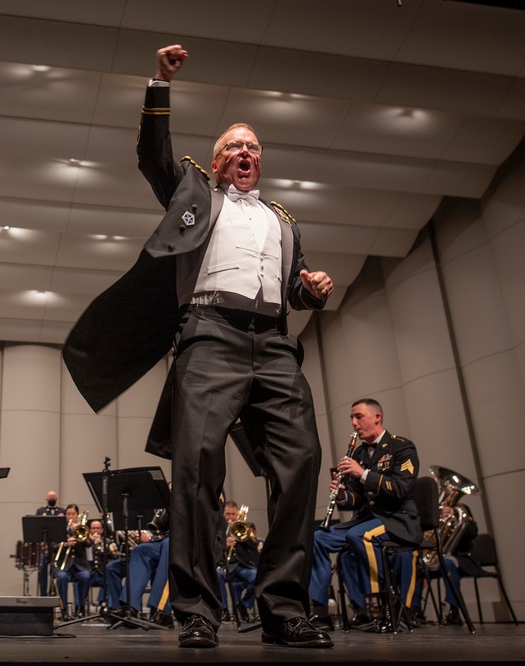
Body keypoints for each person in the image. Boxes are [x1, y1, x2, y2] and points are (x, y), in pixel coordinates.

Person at [62, 44, 334, 649]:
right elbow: (151, 156)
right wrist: (159, 84)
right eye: (235, 146)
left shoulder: (283, 220)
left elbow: (294, 286)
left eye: (254, 147)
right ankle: (198, 612)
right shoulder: (196, 196)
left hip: (275, 345)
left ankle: (284, 610)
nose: (246, 152)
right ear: (216, 161)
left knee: (302, 464)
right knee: (195, 473)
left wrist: (310, 288)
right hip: (209, 336)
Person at [309, 399, 420, 633]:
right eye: (352, 418)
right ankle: (319, 612)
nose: (354, 423)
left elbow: (400, 489)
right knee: (317, 538)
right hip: (365, 519)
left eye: (358, 417)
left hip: (395, 518)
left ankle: (387, 605)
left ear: (377, 417)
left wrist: (363, 473)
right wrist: (342, 495)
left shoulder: (401, 447)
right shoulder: (359, 453)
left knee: (359, 536)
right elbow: (357, 499)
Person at [105, 506, 172, 627]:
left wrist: (152, 538)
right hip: (162, 542)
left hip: (180, 543)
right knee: (140, 550)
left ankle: (161, 610)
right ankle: (130, 609)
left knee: (167, 546)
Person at [216, 501, 260, 623]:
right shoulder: (218, 529)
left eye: (233, 514)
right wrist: (224, 545)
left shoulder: (243, 527)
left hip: (240, 566)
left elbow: (253, 547)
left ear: (237, 514)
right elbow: (212, 548)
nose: (230, 517)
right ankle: (225, 611)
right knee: (217, 575)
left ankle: (244, 605)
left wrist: (241, 536)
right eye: (227, 514)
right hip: (224, 566)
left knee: (257, 576)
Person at [53, 504, 92, 619]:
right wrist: (65, 544)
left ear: (77, 516)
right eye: (68, 514)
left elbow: (89, 544)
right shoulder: (59, 529)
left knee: (85, 576)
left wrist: (78, 531)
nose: (70, 516)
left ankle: (80, 608)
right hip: (63, 567)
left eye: (73, 514)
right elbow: (53, 546)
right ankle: (64, 610)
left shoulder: (82, 527)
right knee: (61, 577)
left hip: (79, 566)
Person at [35, 490, 64, 596]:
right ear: (46, 499)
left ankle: (53, 592)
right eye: (50, 497)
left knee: (55, 570)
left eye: (53, 497)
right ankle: (43, 594)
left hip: (57, 547)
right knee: (42, 567)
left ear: (56, 499)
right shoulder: (40, 510)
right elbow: (36, 527)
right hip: (45, 546)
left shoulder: (62, 511)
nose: (52, 499)